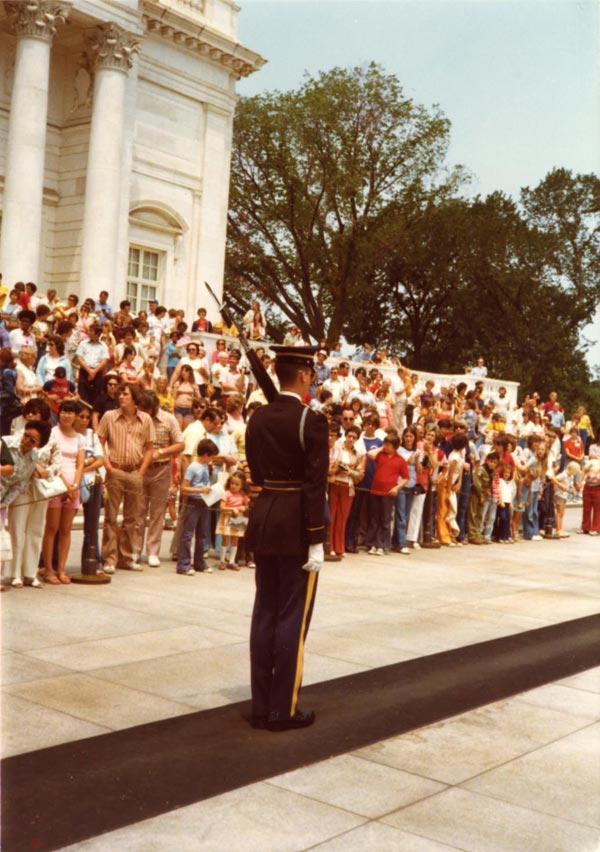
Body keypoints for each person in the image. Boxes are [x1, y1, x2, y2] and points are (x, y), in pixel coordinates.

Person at [245, 345, 328, 731]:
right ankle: (283, 709)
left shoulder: (258, 417)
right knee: (292, 617)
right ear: (305, 376)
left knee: (265, 612)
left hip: (265, 516)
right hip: (296, 523)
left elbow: (259, 475)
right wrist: (317, 537)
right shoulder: (311, 420)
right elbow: (314, 484)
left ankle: (261, 705)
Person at [96, 383, 155, 573]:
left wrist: (142, 471)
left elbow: (150, 447)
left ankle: (127, 557)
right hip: (116, 470)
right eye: (120, 393)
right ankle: (109, 558)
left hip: (135, 472)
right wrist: (107, 466)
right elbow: (99, 442)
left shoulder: (145, 419)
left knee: (133, 518)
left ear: (134, 398)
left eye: (125, 394)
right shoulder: (109, 416)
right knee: (111, 517)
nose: (121, 396)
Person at [133, 392, 184, 567]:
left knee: (157, 512)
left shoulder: (169, 420)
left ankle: (153, 551)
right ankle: (135, 550)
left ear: (154, 407)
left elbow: (180, 443)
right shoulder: (136, 418)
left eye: (146, 409)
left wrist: (160, 452)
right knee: (138, 511)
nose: (143, 412)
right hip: (140, 468)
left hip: (161, 468)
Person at [41, 400, 85, 584]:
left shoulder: (80, 438)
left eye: (70, 412)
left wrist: (74, 486)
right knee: (52, 528)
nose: (67, 415)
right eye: (64, 412)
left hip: (73, 488)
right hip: (56, 485)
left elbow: (80, 464)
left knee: (66, 530)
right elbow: (51, 461)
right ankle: (48, 569)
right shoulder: (53, 433)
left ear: (75, 415)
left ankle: (61, 569)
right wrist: (65, 486)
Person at [216, 471, 250, 570]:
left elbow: (246, 505)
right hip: (227, 517)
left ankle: (232, 561)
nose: (233, 486)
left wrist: (244, 508)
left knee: (235, 540)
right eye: (232, 483)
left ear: (242, 485)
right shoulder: (227, 493)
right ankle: (222, 561)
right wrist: (231, 509)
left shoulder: (243, 495)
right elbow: (221, 506)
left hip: (238, 518)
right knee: (225, 539)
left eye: (237, 484)